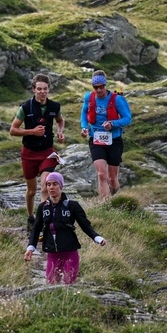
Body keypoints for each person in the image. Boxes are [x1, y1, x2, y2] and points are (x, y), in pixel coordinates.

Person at [24, 172, 107, 284]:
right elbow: (36, 228)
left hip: (70, 252)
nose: (51, 187)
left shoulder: (72, 205)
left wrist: (97, 238)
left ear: (61, 186)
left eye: (55, 184)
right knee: (51, 285)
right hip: (52, 253)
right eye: (48, 184)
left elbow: (85, 225)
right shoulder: (43, 207)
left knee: (69, 284)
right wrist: (30, 247)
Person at [10, 73, 65, 235]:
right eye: (39, 89)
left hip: (48, 152)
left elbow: (60, 121)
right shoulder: (25, 108)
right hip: (29, 153)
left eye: (45, 89)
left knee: (45, 186)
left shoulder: (55, 106)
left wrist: (60, 132)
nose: (42, 92)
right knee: (32, 191)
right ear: (33, 90)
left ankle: (44, 221)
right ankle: (30, 217)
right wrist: (32, 132)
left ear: (48, 90)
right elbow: (13, 130)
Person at [79, 70, 132, 200]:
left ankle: (114, 197)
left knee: (112, 179)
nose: (98, 90)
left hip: (114, 141)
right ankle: (105, 205)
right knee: (101, 175)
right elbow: (84, 114)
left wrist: (112, 124)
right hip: (96, 140)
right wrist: (84, 127)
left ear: (105, 85)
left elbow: (127, 118)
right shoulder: (89, 98)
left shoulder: (117, 99)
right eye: (95, 87)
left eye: (101, 87)